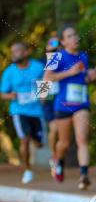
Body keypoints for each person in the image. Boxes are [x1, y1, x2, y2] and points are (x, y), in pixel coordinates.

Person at [43, 25, 96, 190]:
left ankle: (84, 175)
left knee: (82, 139)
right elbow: (48, 78)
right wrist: (69, 72)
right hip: (63, 105)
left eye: (75, 35)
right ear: (63, 41)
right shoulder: (56, 56)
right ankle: (58, 161)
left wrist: (91, 76)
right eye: (70, 36)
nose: (75, 38)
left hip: (81, 104)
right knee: (64, 143)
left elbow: (84, 78)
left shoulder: (84, 56)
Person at [0, 41, 45, 184]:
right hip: (18, 111)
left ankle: (33, 137)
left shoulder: (38, 67)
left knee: (38, 144)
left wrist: (43, 97)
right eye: (12, 52)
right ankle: (28, 170)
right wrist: (10, 96)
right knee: (24, 140)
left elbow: (46, 83)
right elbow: (2, 93)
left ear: (26, 52)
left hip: (36, 111)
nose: (14, 54)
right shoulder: (9, 72)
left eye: (18, 50)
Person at [41, 34, 60, 171]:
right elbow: (42, 79)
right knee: (54, 129)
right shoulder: (42, 62)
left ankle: (59, 156)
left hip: (64, 97)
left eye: (56, 48)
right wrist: (42, 95)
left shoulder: (65, 60)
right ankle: (54, 156)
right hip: (50, 98)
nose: (54, 51)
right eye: (51, 48)